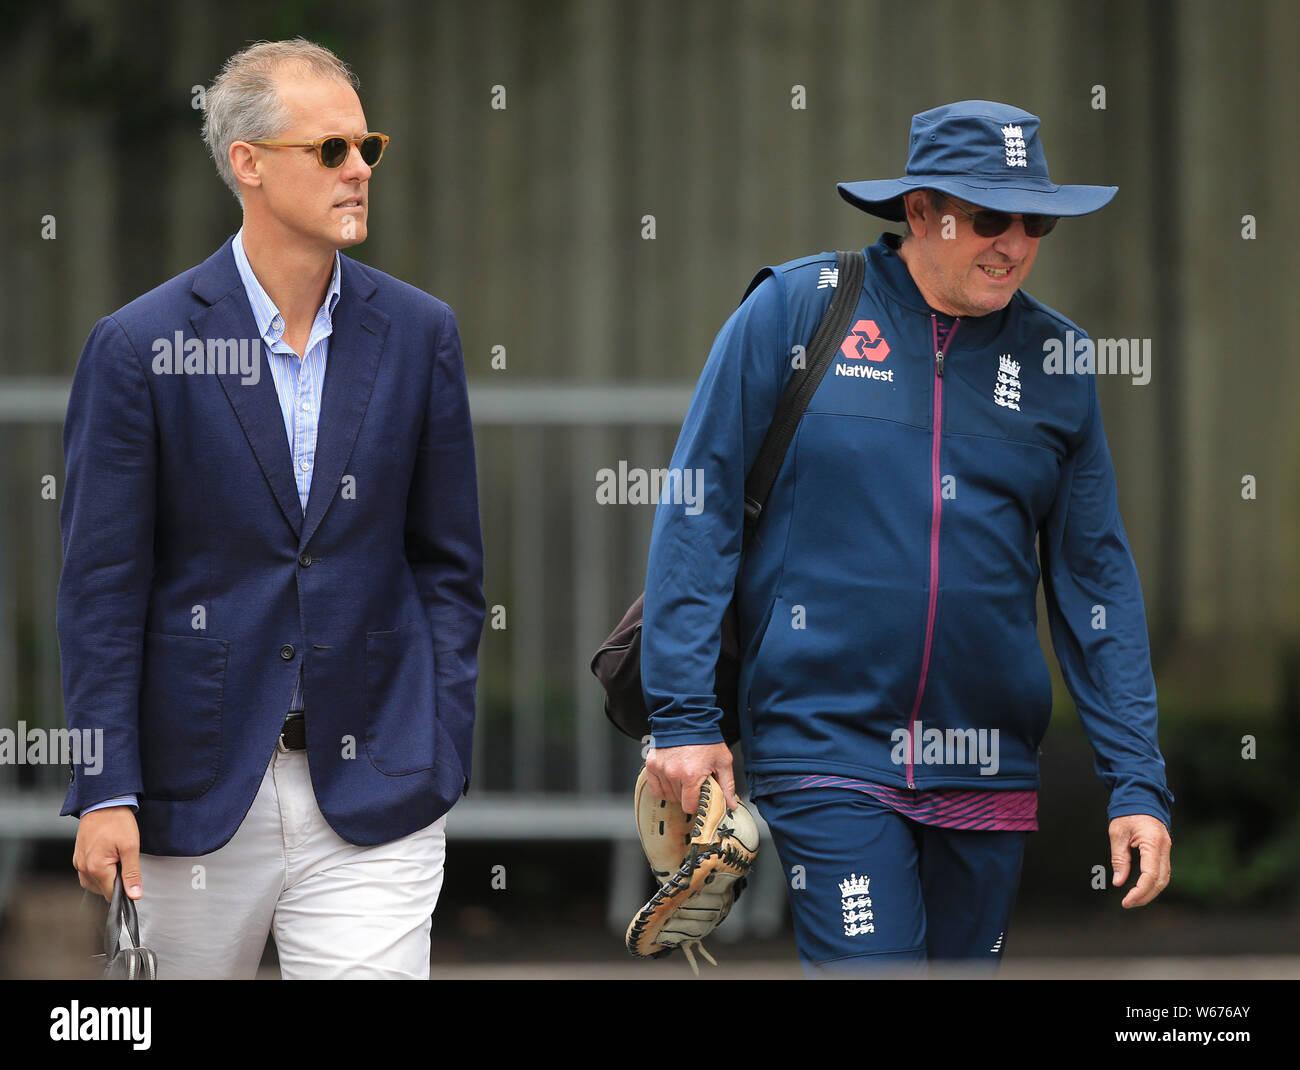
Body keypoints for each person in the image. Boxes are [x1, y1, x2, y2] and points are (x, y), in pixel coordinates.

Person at [641, 100, 1173, 976]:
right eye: (989, 217)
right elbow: (698, 509)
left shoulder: (1058, 362)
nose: (1014, 242)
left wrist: (1137, 779)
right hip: (827, 745)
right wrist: (684, 718)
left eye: (1034, 220)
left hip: (988, 761)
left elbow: (1095, 580)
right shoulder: (795, 311)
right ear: (921, 211)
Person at [59, 38, 485, 979]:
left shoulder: (420, 334)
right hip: (190, 796)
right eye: (329, 150)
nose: (360, 169)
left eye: (367, 146)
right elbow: (101, 588)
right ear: (247, 164)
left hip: (376, 788)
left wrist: (436, 742)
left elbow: (448, 567)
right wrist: (106, 788)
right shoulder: (139, 347)